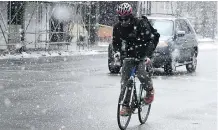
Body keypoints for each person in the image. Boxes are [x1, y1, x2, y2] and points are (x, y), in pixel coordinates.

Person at [112, 3, 160, 116]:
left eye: (126, 19)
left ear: (131, 16)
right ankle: (127, 105)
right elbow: (116, 43)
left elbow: (151, 40)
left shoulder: (140, 23)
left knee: (141, 72)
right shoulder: (117, 27)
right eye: (121, 19)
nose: (124, 22)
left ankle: (149, 91)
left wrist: (148, 55)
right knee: (125, 79)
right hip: (129, 54)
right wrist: (117, 52)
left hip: (143, 53)